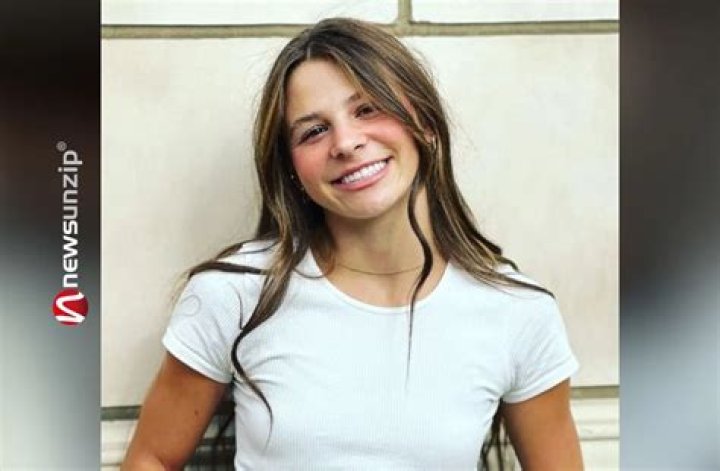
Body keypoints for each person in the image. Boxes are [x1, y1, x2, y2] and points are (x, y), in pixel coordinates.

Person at [122, 17, 583, 470]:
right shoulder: (236, 295)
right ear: (292, 170)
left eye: (368, 109)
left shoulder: (516, 311)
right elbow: (151, 458)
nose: (345, 142)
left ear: (424, 122)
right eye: (313, 131)